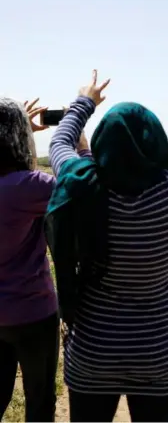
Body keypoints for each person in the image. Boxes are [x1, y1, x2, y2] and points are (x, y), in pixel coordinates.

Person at [46, 62, 168, 422]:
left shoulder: (81, 183)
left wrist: (84, 101)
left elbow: (59, 141)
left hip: (93, 352)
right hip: (159, 355)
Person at [0, 98, 92, 421]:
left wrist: (18, 133)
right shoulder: (29, 187)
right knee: (40, 402)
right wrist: (81, 144)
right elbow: (81, 187)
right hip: (33, 313)